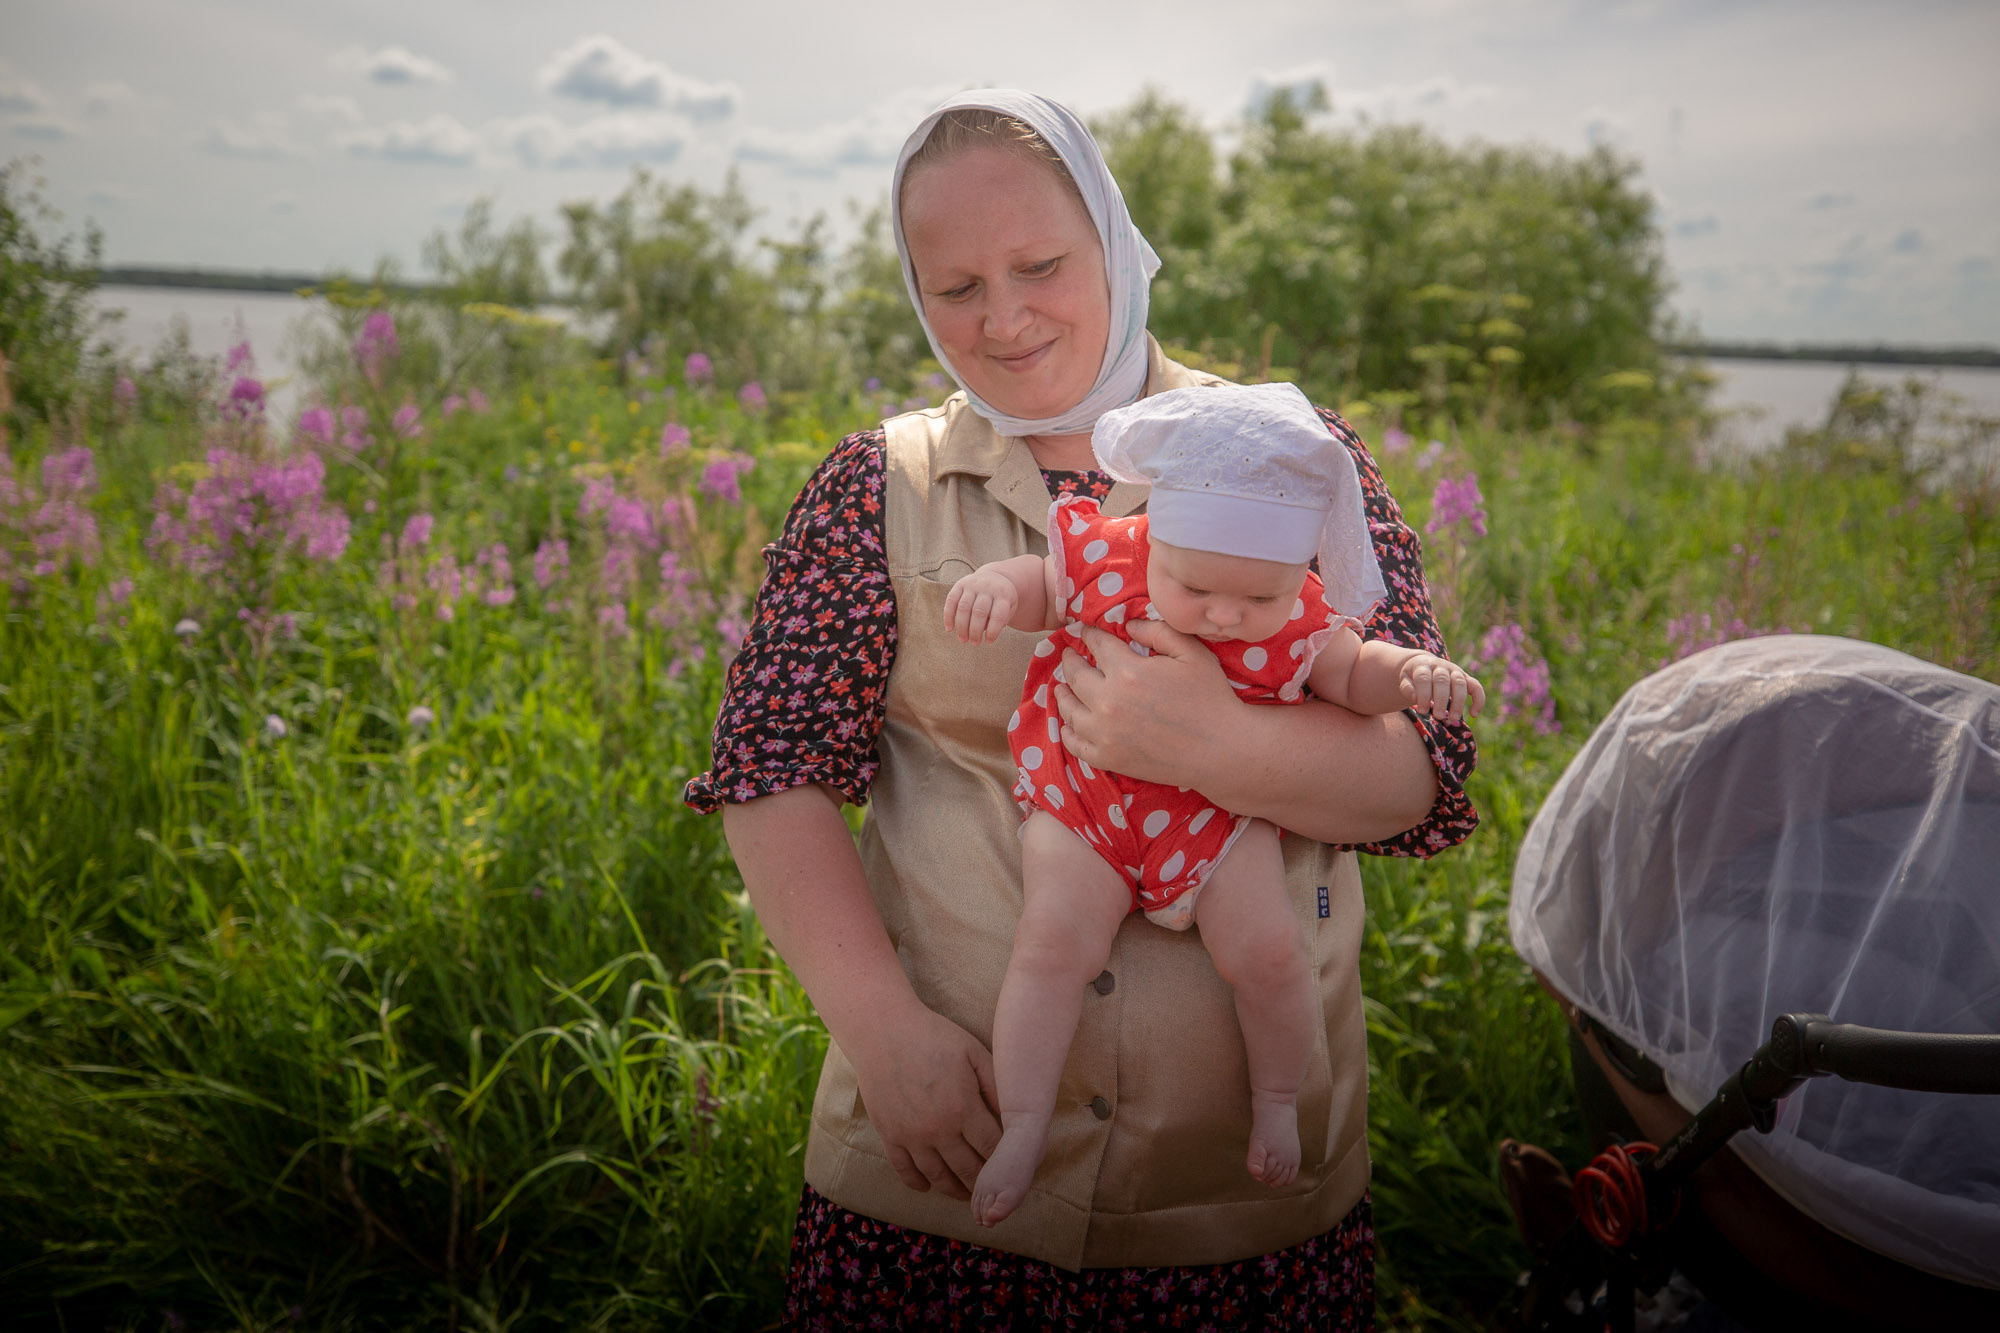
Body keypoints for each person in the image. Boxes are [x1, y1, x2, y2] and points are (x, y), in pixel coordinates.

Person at [685, 88, 1479, 1329]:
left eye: (1040, 264)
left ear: (1112, 239)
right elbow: (767, 774)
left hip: (1238, 1208)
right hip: (937, 1174)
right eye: (953, 287)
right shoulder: (874, 483)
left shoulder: (1287, 452)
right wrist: (883, 1036)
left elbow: (1425, 775)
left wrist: (1214, 745)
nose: (1001, 319)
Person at [943, 381, 1484, 1227]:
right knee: (1051, 943)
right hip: (1084, 794)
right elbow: (1044, 585)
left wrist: (1409, 675)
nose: (1229, 616)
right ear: (1155, 537)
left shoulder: (1297, 612)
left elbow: (1349, 668)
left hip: (1216, 815)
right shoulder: (1112, 557)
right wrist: (995, 590)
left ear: (1296, 577)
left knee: (1269, 952)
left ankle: (1275, 1099)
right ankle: (1021, 1125)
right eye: (1195, 588)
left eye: (1259, 599)